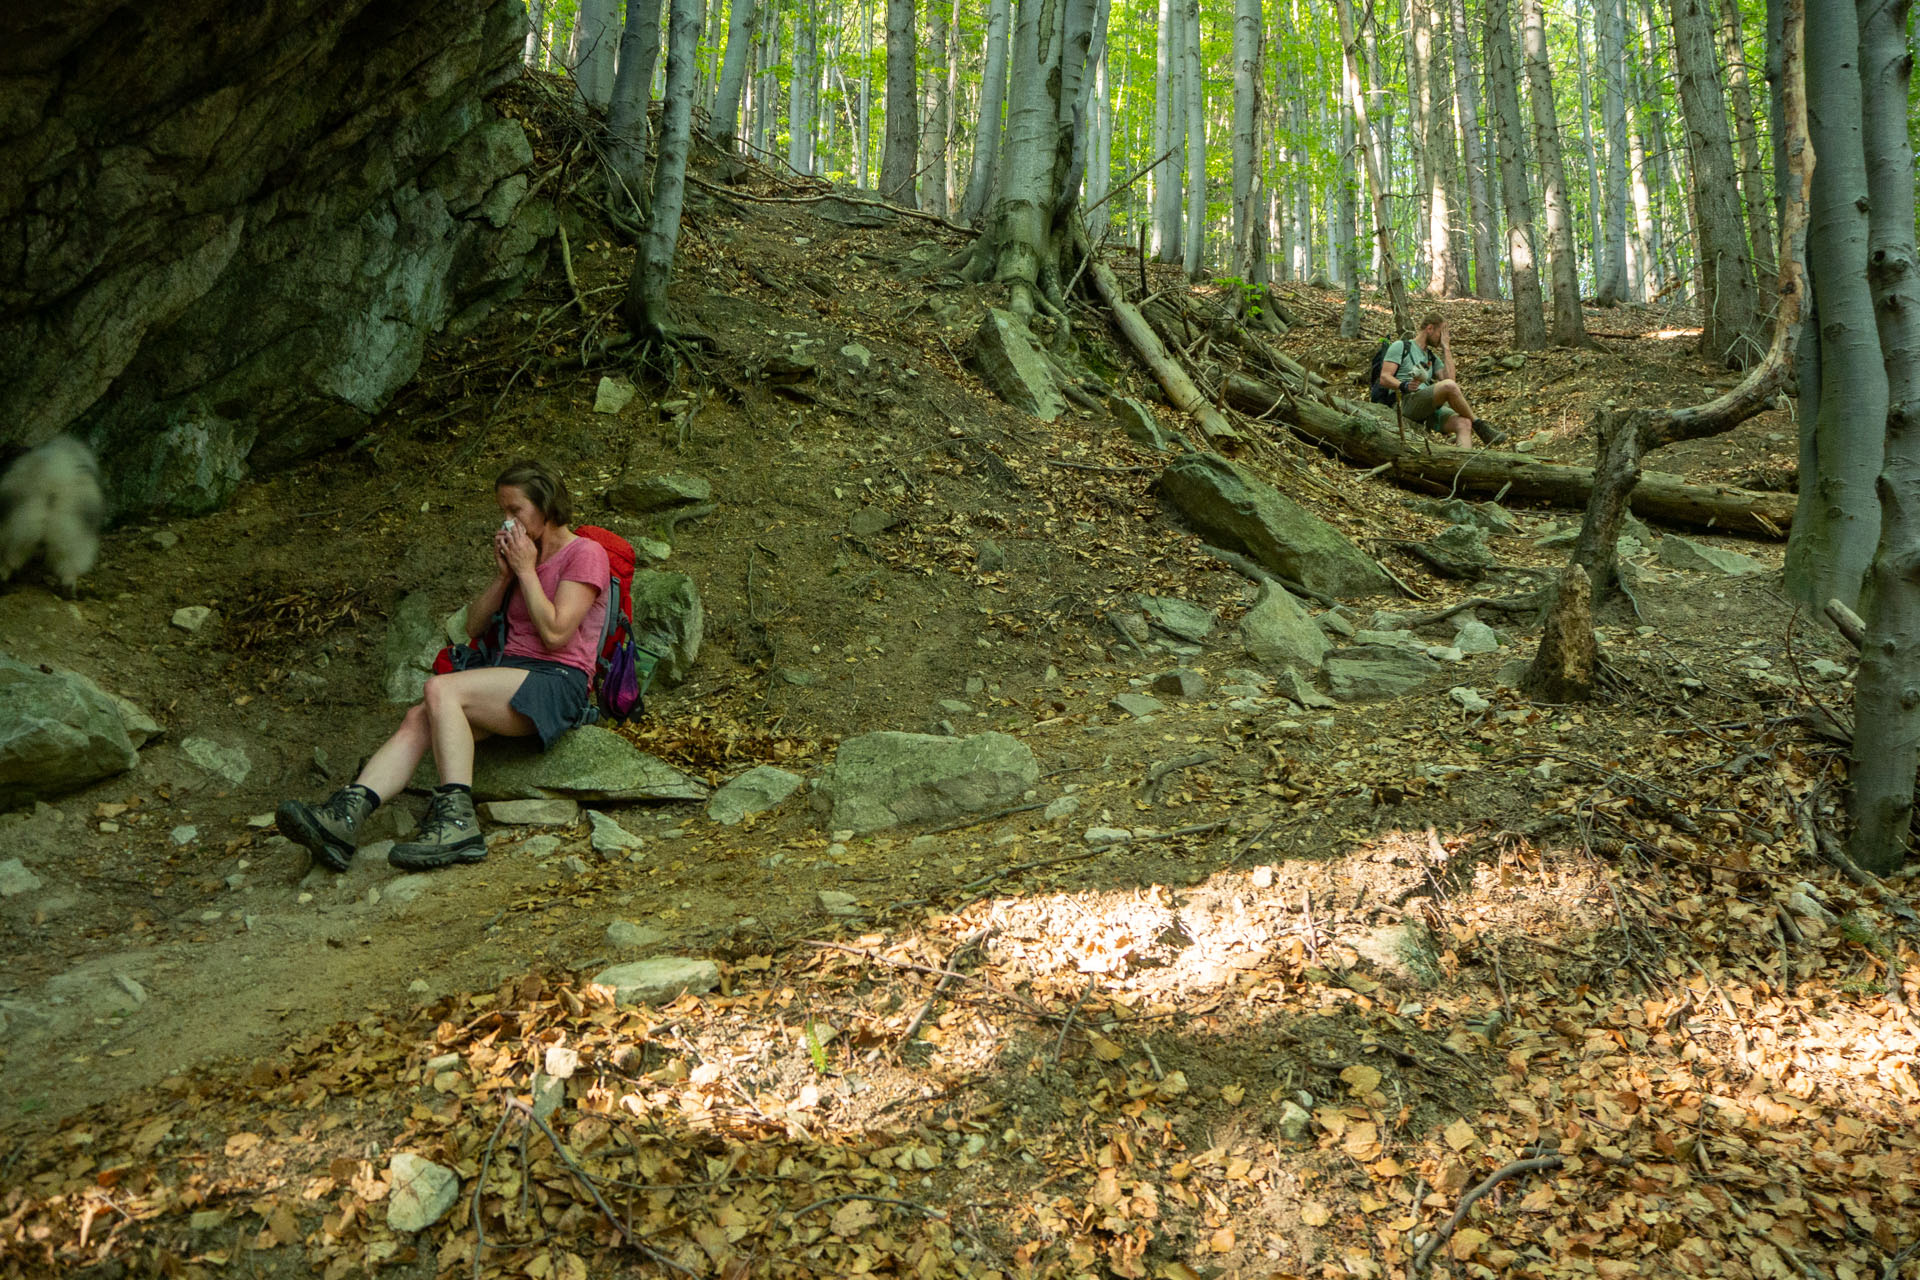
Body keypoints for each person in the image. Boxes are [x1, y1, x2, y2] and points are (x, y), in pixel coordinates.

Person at [277, 460, 610, 872]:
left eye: (515, 511)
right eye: (502, 512)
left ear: (546, 506)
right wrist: (506, 577)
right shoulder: (526, 559)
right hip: (509, 677)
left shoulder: (585, 553)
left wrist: (527, 572)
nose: (507, 523)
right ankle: (344, 820)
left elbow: (557, 634)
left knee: (440, 689)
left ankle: (457, 824)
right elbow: (472, 627)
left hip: (557, 681)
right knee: (419, 716)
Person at [1377, 312, 1506, 447]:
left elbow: (1451, 381)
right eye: (1441, 333)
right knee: (1448, 387)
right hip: (1405, 401)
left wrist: (1446, 348)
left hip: (1425, 407)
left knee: (1464, 423)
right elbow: (1384, 378)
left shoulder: (1432, 357)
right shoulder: (1401, 346)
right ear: (1430, 328)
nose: (1443, 338)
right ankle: (1480, 425)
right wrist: (1404, 385)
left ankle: (1463, 465)